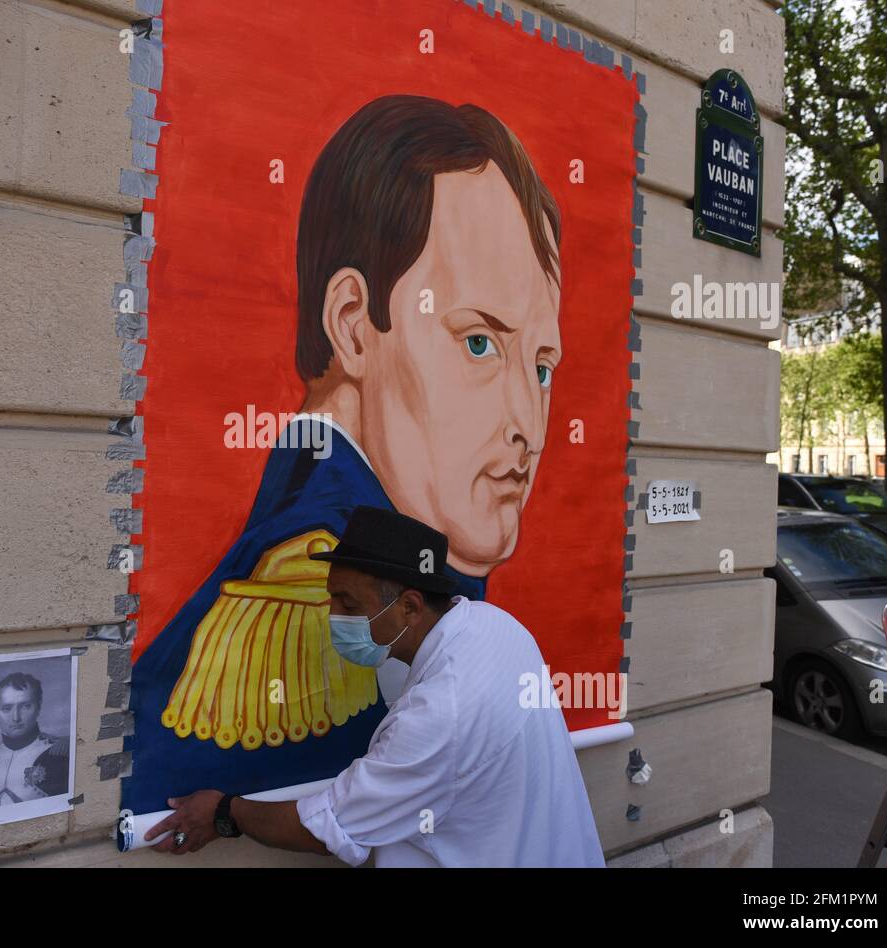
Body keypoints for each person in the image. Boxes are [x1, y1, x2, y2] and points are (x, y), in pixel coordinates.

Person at [124, 93, 563, 814]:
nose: (529, 423)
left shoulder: (425, 583)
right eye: (480, 342)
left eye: (541, 367)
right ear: (354, 326)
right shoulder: (310, 597)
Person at [145, 507, 604, 867]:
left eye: (347, 601)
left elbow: (326, 830)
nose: (332, 616)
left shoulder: (439, 716)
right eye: (330, 598)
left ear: (408, 606)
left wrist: (226, 812)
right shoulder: (495, 626)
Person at [0, 673, 69, 811]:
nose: (16, 717)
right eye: (7, 709)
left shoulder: (57, 755)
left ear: (38, 708)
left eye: (25, 706)